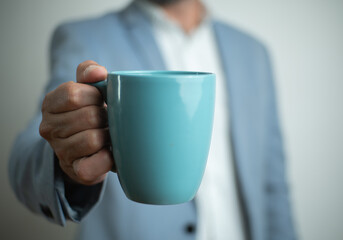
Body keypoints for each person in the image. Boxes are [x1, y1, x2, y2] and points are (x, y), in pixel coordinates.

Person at [8, 0, 297, 239]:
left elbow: (272, 188)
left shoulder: (253, 52)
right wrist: (65, 161)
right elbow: (26, 157)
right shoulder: (83, 37)